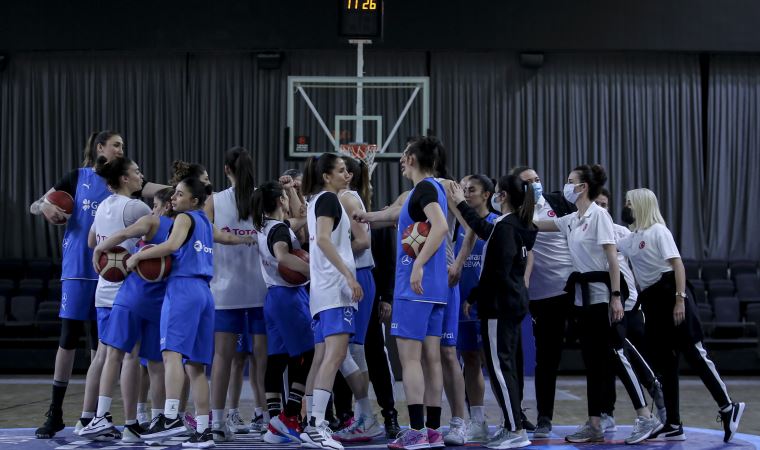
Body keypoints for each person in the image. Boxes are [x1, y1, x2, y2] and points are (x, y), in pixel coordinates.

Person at [534, 165, 662, 444]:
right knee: (592, 362)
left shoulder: (599, 216)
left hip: (603, 295)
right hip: (582, 298)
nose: (566, 186)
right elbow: (538, 224)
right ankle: (594, 423)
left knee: (615, 355)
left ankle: (645, 416)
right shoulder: (571, 219)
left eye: (570, 182)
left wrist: (616, 297)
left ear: (583, 187)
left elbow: (612, 259)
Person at [132, 177, 253, 448]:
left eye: (179, 194)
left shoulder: (185, 219)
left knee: (171, 354)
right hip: (205, 294)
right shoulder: (207, 225)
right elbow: (228, 237)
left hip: (183, 289)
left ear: (194, 201)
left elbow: (172, 246)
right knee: (196, 367)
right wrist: (251, 238)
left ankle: (171, 416)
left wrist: (139, 256)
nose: (173, 198)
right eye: (173, 194)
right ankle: (203, 429)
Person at [618, 188, 745, 443]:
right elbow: (609, 243)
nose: (626, 208)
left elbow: (677, 265)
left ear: (641, 205)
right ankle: (673, 422)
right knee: (666, 365)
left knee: (695, 354)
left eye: (629, 203)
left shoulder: (658, 231)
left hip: (670, 294)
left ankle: (728, 406)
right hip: (652, 301)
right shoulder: (632, 238)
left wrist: (680, 299)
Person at [29, 131, 122, 439]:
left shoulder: (121, 181)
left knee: (101, 344)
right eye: (116, 145)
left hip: (108, 272)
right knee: (68, 338)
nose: (121, 150)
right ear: (100, 147)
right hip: (77, 270)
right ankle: (55, 412)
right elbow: (35, 204)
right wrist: (45, 206)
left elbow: (150, 190)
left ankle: (96, 416)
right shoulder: (76, 176)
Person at [448, 174, 537, 449]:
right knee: (503, 367)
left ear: (502, 196)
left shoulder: (508, 227)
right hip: (508, 303)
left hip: (500, 306)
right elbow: (482, 229)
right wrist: (461, 205)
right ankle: (512, 425)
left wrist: (476, 295)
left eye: (498, 191)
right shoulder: (510, 224)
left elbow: (496, 271)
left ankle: (514, 429)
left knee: (499, 369)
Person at [79, 187, 175, 442]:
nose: (152, 208)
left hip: (131, 297)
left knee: (114, 355)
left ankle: (104, 417)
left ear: (165, 206)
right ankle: (157, 420)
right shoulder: (182, 228)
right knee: (155, 364)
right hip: (159, 302)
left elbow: (122, 233)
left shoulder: (153, 220)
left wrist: (100, 249)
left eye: (155, 204)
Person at [79, 156, 152, 440]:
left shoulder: (103, 206)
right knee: (130, 356)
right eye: (136, 171)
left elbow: (90, 242)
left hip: (102, 290)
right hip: (125, 292)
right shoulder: (135, 206)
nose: (140, 175)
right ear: (124, 179)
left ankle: (91, 417)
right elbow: (159, 230)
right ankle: (131, 423)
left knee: (105, 355)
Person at [384, 137, 449, 450]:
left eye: (403, 153)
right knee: (431, 361)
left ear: (410, 157)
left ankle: (416, 432)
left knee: (410, 360)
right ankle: (433, 432)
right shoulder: (433, 188)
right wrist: (368, 217)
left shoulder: (423, 188)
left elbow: (440, 227)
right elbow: (403, 218)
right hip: (436, 290)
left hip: (415, 287)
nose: (400, 159)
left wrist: (418, 265)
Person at [299, 153, 363, 450]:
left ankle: (310, 423)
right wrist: (349, 277)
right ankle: (316, 424)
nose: (346, 174)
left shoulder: (317, 200)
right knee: (334, 356)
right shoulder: (327, 200)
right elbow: (323, 240)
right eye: (340, 170)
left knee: (324, 356)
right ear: (326, 175)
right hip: (334, 289)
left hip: (323, 290)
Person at [206, 147, 268, 442]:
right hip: (262, 288)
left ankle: (217, 422)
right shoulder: (263, 197)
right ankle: (265, 417)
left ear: (225, 169)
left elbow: (205, 235)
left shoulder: (213, 201)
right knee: (262, 358)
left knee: (222, 357)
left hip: (225, 290)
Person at [511, 166, 575, 438]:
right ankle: (544, 418)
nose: (535, 184)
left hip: (572, 289)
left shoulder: (558, 202)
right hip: (541, 296)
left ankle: (604, 413)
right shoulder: (516, 215)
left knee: (604, 348)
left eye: (537, 179)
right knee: (546, 360)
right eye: (528, 182)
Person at [250, 180, 315, 445]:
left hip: (273, 298)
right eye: (285, 198)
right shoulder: (277, 230)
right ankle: (289, 415)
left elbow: (298, 220)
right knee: (308, 353)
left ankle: (274, 423)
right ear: (279, 202)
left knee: (277, 359)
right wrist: (314, 272)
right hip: (288, 297)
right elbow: (282, 256)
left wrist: (294, 191)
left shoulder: (264, 225)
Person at [595, 188, 666, 429]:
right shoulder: (581, 233)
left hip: (629, 304)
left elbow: (637, 266)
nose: (601, 209)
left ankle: (656, 396)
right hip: (603, 306)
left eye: (605, 204)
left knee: (628, 356)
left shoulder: (621, 232)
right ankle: (607, 413)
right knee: (608, 359)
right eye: (597, 204)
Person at [331, 156, 384, 443]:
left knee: (349, 350)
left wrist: (328, 254)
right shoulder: (336, 198)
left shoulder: (348, 198)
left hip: (359, 274)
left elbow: (363, 241)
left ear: (349, 175)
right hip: (348, 274)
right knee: (346, 350)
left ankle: (367, 417)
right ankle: (365, 416)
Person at [448, 174, 498, 443]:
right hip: (462, 298)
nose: (466, 193)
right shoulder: (458, 224)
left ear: (486, 195)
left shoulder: (495, 222)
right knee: (470, 359)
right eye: (463, 189)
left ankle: (512, 419)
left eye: (472, 190)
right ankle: (476, 420)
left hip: (487, 301)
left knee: (493, 361)